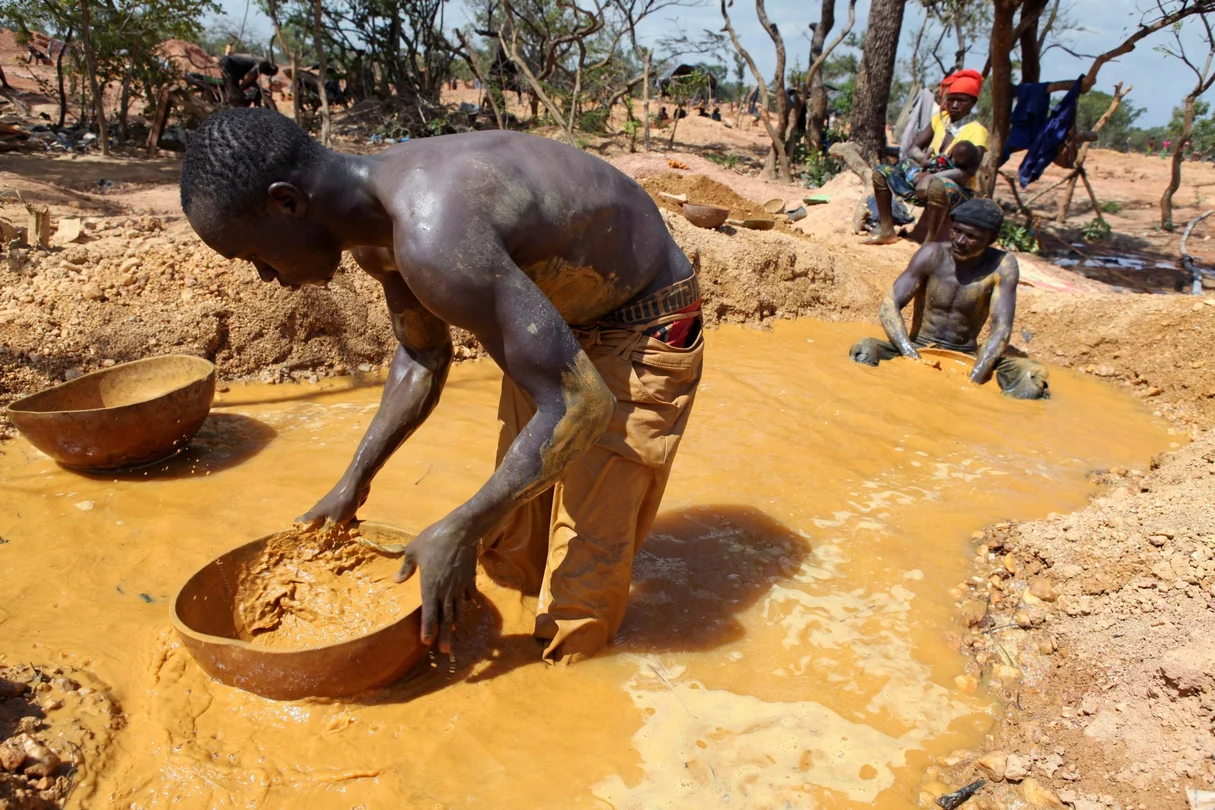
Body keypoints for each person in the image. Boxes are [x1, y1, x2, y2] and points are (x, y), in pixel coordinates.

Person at [179, 109, 704, 665]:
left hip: (644, 318)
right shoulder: (377, 232)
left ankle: (569, 690)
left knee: (584, 581)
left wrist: (458, 526)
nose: (266, 277)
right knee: (513, 549)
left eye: (254, 256)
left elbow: (581, 403)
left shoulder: (434, 233)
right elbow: (421, 355)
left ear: (286, 203)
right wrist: (354, 481)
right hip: (551, 321)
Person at [849, 198, 1049, 400]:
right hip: (918, 347)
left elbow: (1001, 329)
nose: (960, 241)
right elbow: (889, 307)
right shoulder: (932, 253)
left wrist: (973, 379)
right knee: (865, 348)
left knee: (1032, 376)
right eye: (956, 231)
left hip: (966, 356)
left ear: (991, 239)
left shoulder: (1003, 265)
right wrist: (911, 357)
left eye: (972, 236)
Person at [865, 69, 989, 246]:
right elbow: (914, 147)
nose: (954, 104)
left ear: (973, 103)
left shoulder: (977, 131)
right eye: (951, 99)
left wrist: (931, 177)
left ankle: (929, 246)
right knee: (881, 172)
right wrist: (923, 160)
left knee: (938, 186)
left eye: (961, 101)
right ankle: (887, 230)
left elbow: (966, 173)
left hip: (955, 190)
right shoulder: (940, 119)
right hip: (924, 178)